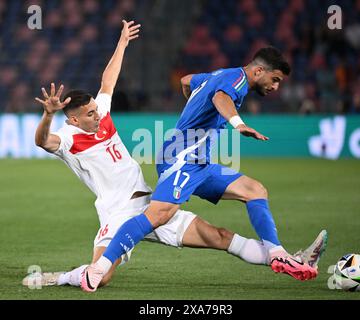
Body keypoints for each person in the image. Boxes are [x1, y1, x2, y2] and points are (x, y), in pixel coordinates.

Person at [31, 20, 327, 289]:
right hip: (119, 210)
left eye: (97, 110)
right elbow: (43, 141)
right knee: (104, 275)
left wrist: (122, 43)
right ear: (73, 120)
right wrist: (47, 115)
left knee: (224, 229)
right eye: (90, 113)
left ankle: (285, 257)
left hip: (148, 195)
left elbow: (114, 81)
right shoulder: (67, 139)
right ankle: (66, 276)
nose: (97, 114)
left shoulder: (101, 113)